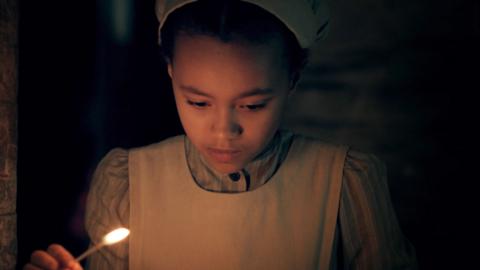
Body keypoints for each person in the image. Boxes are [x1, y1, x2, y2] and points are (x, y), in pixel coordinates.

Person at [24, 0, 417, 269]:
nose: (223, 131)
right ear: (171, 72)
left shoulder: (346, 182)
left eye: (252, 105)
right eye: (198, 102)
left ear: (292, 80)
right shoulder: (126, 181)